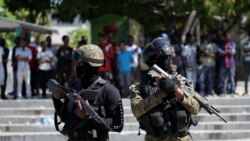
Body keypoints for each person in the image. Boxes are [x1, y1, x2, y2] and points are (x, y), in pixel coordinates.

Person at [129, 37, 200, 141]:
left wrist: (176, 90)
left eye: (168, 56)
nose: (166, 59)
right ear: (152, 58)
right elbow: (136, 110)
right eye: (161, 56)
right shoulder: (140, 85)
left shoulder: (181, 81)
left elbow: (196, 109)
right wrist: (161, 95)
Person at [52, 44, 124, 141]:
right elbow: (65, 118)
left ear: (88, 65)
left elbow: (118, 125)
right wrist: (56, 99)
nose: (75, 67)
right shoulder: (75, 85)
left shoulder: (109, 91)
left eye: (78, 64)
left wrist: (88, 117)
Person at [242, 31, 250, 95]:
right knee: (246, 77)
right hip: (246, 61)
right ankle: (246, 91)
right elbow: (245, 50)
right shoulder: (245, 42)